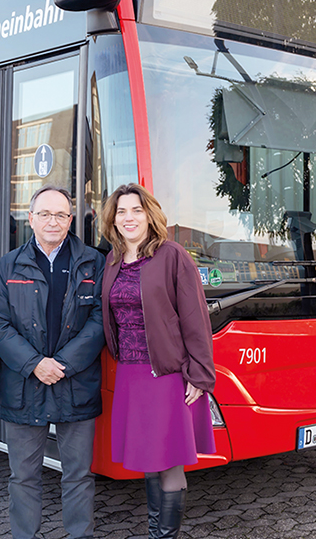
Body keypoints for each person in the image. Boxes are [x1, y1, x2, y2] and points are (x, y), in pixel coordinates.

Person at [0, 185, 106, 539]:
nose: (52, 221)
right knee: (23, 477)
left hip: (77, 384)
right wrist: (35, 363)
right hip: (24, 385)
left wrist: (64, 364)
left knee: (79, 475)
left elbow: (101, 319)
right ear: (30, 218)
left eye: (60, 215)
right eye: (44, 214)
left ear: (71, 220)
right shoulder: (7, 264)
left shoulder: (92, 262)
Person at [99, 183, 216, 539]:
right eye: (122, 211)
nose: (129, 217)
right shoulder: (113, 260)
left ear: (150, 215)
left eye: (136, 210)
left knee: (168, 464)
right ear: (113, 220)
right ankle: (156, 534)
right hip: (131, 376)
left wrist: (200, 375)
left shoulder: (171, 255)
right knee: (149, 463)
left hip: (165, 375)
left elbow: (195, 317)